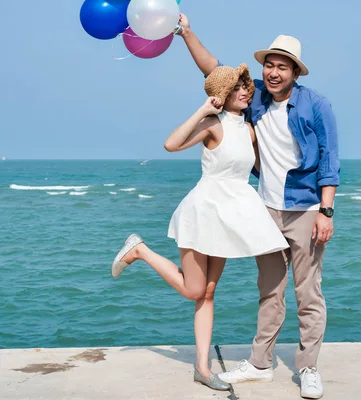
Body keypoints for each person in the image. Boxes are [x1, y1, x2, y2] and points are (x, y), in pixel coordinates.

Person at [176, 15, 340, 399]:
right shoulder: (257, 101)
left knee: (308, 292)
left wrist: (326, 211)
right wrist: (186, 32)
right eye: (270, 65)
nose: (274, 73)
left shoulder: (315, 105)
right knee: (270, 289)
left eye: (283, 66)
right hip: (264, 210)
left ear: (295, 72)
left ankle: (309, 367)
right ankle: (261, 363)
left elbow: (331, 158)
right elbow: (216, 71)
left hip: (304, 208)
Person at [111, 64, 288, 392]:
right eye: (237, 88)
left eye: (246, 86)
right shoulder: (212, 124)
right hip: (202, 212)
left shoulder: (249, 130)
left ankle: (202, 368)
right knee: (194, 289)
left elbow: (263, 169)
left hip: (229, 216)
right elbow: (171, 144)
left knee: (207, 292)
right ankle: (140, 250)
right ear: (223, 94)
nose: (246, 91)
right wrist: (203, 109)